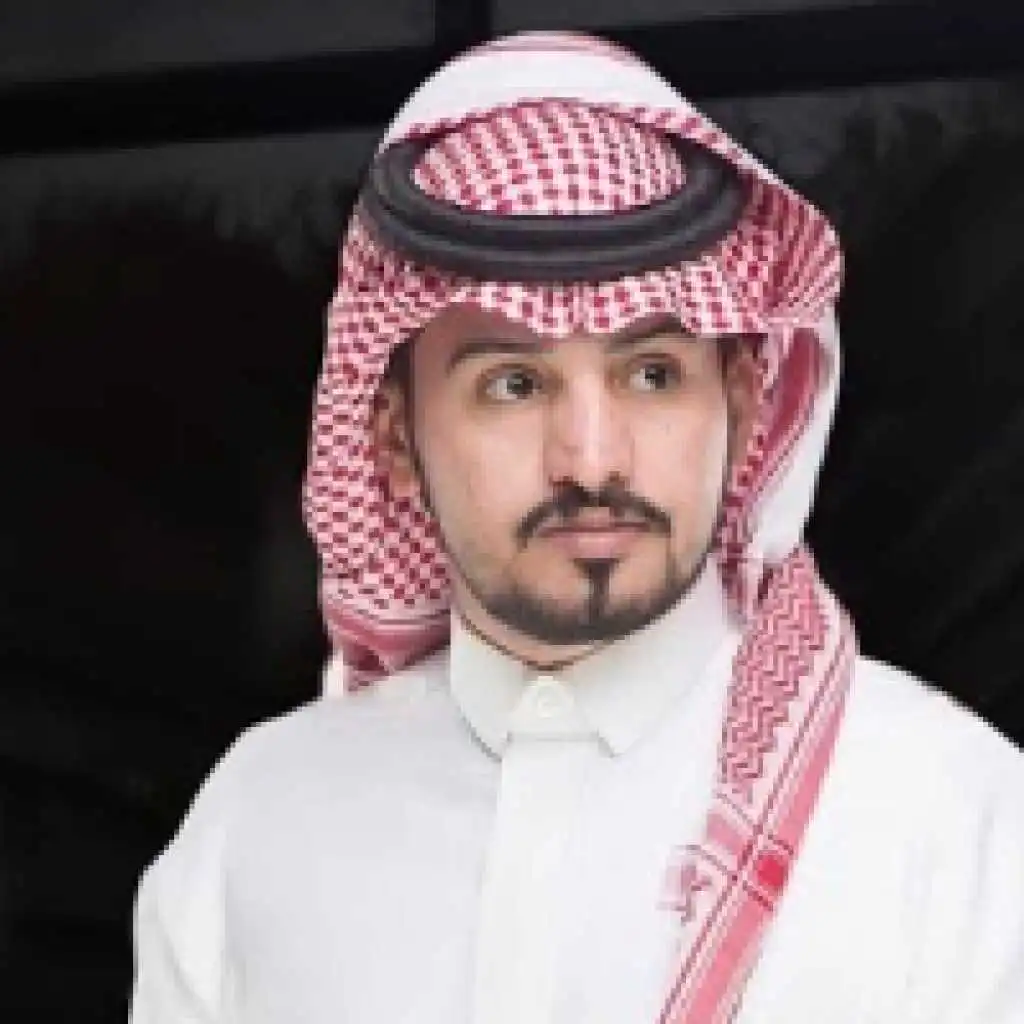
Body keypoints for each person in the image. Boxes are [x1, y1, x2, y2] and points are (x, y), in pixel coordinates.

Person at [129, 31, 1024, 1024]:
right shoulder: (258, 825)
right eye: (513, 384)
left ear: (740, 402)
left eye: (652, 374)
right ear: (393, 437)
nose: (592, 461)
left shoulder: (950, 817)